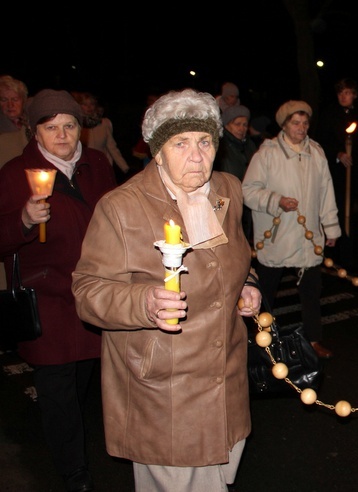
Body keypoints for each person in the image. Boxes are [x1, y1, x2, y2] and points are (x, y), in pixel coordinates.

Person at [71, 88, 262, 492]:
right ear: (158, 151)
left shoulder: (227, 190)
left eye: (205, 142)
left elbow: (242, 257)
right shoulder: (121, 207)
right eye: (181, 143)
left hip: (225, 377)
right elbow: (88, 291)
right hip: (164, 386)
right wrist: (143, 301)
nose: (197, 156)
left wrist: (247, 284)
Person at [0, 89, 118, 492]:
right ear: (36, 132)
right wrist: (24, 219)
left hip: (95, 291)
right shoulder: (16, 173)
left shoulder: (97, 164)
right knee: (56, 388)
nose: (63, 135)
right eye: (51, 127)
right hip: (48, 297)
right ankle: (73, 470)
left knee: (83, 377)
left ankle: (75, 442)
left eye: (69, 125)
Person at [243, 100, 340, 360]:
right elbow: (248, 191)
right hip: (276, 236)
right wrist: (277, 201)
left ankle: (314, 339)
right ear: (284, 125)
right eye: (296, 123)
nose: (301, 127)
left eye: (305, 122)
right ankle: (258, 339)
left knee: (311, 291)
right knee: (266, 293)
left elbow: (326, 192)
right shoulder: (267, 154)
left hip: (308, 236)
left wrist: (331, 228)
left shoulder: (316, 153)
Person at [313, 77, 358, 271]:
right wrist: (338, 154)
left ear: (354, 95)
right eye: (340, 93)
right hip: (334, 174)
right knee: (336, 211)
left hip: (355, 174)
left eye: (347, 93)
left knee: (352, 213)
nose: (344, 96)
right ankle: (335, 254)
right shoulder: (328, 115)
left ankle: (351, 254)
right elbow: (321, 142)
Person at [214, 104, 258, 242]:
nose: (242, 128)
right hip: (224, 200)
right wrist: (217, 210)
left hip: (246, 203)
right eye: (237, 124)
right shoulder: (220, 146)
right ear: (227, 125)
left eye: (245, 124)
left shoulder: (250, 146)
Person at [71, 91, 132, 181]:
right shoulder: (74, 125)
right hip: (83, 169)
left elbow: (112, 148)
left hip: (102, 169)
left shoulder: (104, 123)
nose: (89, 107)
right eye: (85, 104)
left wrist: (126, 169)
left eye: (91, 104)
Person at [0, 75, 31, 168]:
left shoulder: (33, 123)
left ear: (24, 100)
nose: (10, 105)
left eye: (15, 99)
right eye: (4, 100)